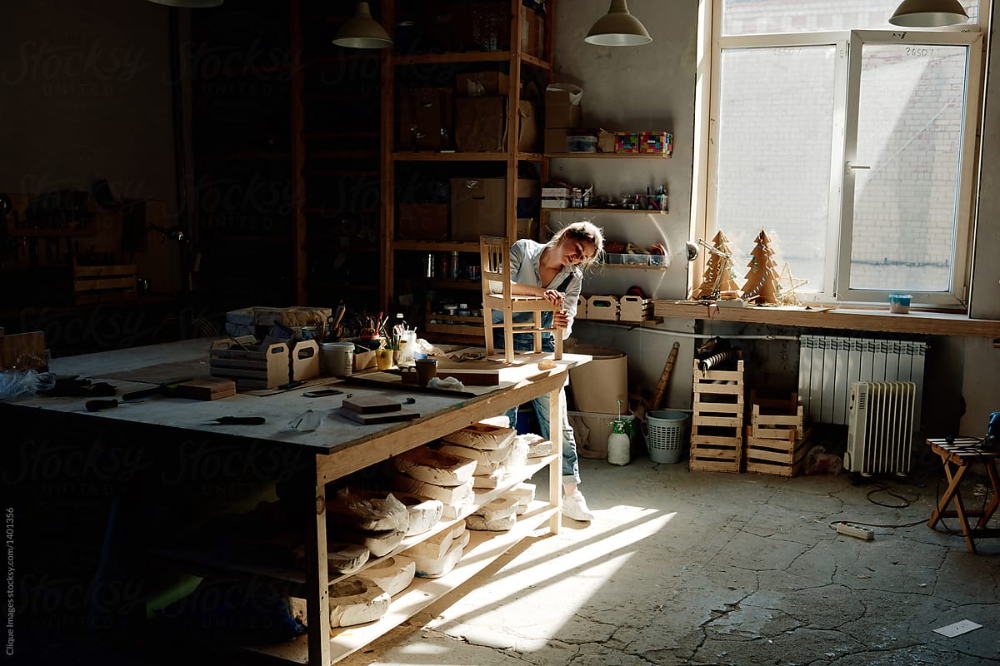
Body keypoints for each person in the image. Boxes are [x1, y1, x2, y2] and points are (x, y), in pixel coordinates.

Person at [493, 221, 605, 523]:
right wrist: (542, 294)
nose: (576, 258)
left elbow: (566, 326)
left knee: (557, 418)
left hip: (544, 343)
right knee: (506, 419)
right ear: (566, 235)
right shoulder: (524, 249)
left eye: (583, 257)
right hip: (508, 338)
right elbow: (500, 286)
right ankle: (508, 490)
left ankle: (571, 494)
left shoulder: (573, 279)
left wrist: (562, 324)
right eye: (578, 249)